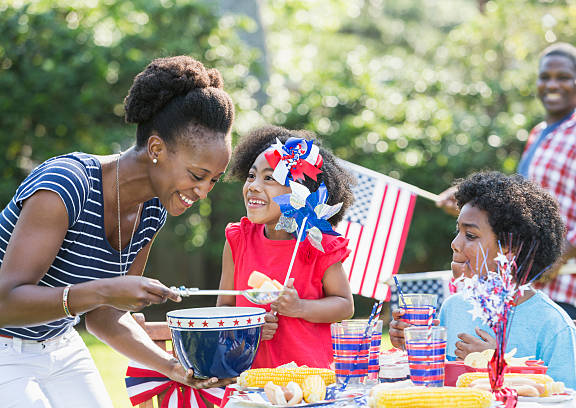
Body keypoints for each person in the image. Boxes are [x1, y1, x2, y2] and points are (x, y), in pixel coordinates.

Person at [0, 55, 235, 407]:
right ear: (156, 148)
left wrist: (176, 369)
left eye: (213, 180)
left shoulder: (152, 210)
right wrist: (104, 290)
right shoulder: (66, 185)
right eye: (197, 175)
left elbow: (106, 317)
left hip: (59, 344)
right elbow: (5, 302)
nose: (202, 192)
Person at [437, 43, 576, 320]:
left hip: (574, 291)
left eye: (563, 77)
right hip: (528, 287)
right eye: (545, 77)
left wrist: (557, 253)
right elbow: (521, 207)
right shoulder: (540, 133)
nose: (552, 84)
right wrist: (473, 207)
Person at [392, 172, 576, 396]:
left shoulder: (553, 324)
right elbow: (436, 387)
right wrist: (416, 346)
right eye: (458, 232)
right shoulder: (453, 307)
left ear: (510, 247)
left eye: (470, 235)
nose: (455, 243)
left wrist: (498, 365)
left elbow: (570, 400)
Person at [216, 125, 355, 369]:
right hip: (250, 376)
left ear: (300, 192)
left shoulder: (318, 244)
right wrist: (249, 326)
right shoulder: (238, 239)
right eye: (251, 175)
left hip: (310, 376)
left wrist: (300, 307)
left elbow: (345, 305)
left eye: (269, 178)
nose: (254, 186)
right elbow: (225, 308)